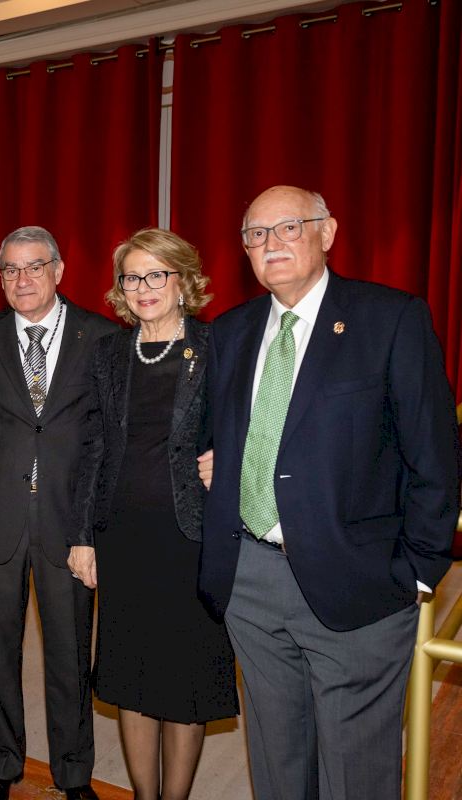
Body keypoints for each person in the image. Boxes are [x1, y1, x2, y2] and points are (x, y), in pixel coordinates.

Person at [198, 185, 461, 800]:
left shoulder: (389, 319)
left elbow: (435, 454)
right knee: (278, 765)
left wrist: (417, 571)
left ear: (328, 232)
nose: (271, 243)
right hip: (250, 582)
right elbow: (228, 434)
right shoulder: (231, 331)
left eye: (288, 227)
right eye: (256, 234)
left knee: (355, 775)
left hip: (359, 583)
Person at [68, 228, 236, 800]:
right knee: (132, 674)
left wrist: (229, 460)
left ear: (183, 280)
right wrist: (82, 535)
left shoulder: (216, 347)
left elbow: (248, 424)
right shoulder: (110, 353)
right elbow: (93, 447)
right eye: (132, 277)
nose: (143, 288)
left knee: (185, 678)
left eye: (156, 275)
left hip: (191, 538)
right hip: (124, 536)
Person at [0, 226, 115, 800]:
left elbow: (106, 432)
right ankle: (2, 764)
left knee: (70, 655)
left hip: (70, 522)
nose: (22, 279)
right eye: (10, 269)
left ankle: (73, 773)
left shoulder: (102, 336)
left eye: (34, 267)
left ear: (59, 271)